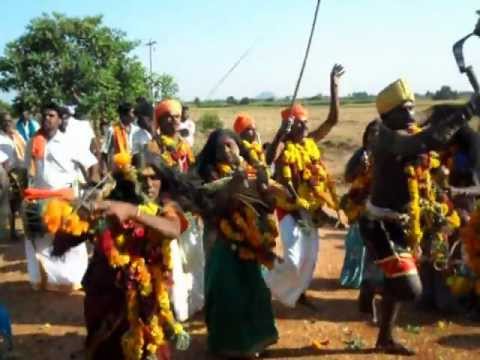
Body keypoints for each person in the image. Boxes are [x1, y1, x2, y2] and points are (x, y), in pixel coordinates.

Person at [358, 78, 480, 355]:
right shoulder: (385, 136)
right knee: (410, 290)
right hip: (381, 224)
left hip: (404, 224)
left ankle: (385, 338)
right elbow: (428, 139)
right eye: (405, 109)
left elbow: (432, 126)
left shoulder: (405, 130)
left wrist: (464, 107)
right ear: (388, 115)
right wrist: (470, 108)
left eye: (413, 108)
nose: (412, 114)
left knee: (399, 282)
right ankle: (371, 284)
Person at [80, 159, 190, 359]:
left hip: (147, 294)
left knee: (147, 346)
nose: (149, 184)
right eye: (142, 178)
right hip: (108, 291)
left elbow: (173, 229)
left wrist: (133, 212)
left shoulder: (166, 206)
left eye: (154, 177)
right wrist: (85, 212)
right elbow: (79, 232)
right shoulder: (115, 201)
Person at [263, 64, 345, 308]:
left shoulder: (310, 143)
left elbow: (333, 120)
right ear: (290, 127)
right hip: (290, 209)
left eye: (306, 122)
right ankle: (265, 282)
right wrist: (280, 134)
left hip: (312, 210)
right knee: (293, 258)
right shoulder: (280, 147)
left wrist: (334, 85)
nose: (306, 126)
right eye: (300, 123)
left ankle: (298, 293)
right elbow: (267, 161)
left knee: (309, 259)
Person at [195, 129, 278, 359]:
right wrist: (232, 187)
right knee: (226, 292)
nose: (226, 151)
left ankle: (255, 341)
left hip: (250, 240)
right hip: (220, 242)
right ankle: (227, 346)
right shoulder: (207, 177)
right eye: (220, 148)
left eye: (230, 145)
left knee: (255, 291)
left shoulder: (252, 172)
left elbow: (268, 207)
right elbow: (210, 210)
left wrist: (263, 186)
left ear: (240, 147)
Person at [22, 103, 93, 291]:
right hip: (40, 200)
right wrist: (25, 194)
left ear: (60, 119)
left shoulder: (71, 142)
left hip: (66, 200)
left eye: (51, 115)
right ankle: (43, 280)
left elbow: (92, 163)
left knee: (71, 241)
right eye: (44, 115)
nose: (47, 119)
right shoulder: (33, 142)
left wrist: (92, 188)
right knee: (39, 240)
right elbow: (25, 170)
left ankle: (72, 280)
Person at [148, 99, 202, 322]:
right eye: (167, 116)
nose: (173, 119)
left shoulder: (185, 146)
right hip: (166, 210)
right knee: (173, 264)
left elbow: (193, 175)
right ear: (159, 121)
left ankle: (196, 302)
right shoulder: (153, 147)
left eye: (176, 116)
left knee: (195, 259)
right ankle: (176, 311)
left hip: (188, 208)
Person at [0, 112, 27, 239]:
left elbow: (25, 149)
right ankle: (10, 231)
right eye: (5, 121)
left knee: (19, 202)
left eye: (9, 120)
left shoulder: (17, 135)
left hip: (19, 172)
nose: (8, 123)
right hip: (5, 174)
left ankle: (17, 230)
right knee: (9, 203)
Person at [101, 102, 139, 174]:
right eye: (132, 112)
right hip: (119, 170)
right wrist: (104, 170)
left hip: (134, 169)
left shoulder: (136, 130)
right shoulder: (112, 130)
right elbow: (104, 151)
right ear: (123, 115)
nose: (135, 115)